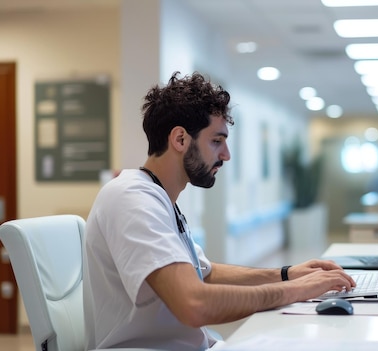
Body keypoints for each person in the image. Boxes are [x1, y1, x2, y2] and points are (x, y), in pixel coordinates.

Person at [82, 72, 356, 350]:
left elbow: (206, 273)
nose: (226, 155)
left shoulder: (158, 197)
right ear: (180, 139)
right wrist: (297, 291)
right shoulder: (132, 198)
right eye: (216, 141)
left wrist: (287, 274)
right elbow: (194, 304)